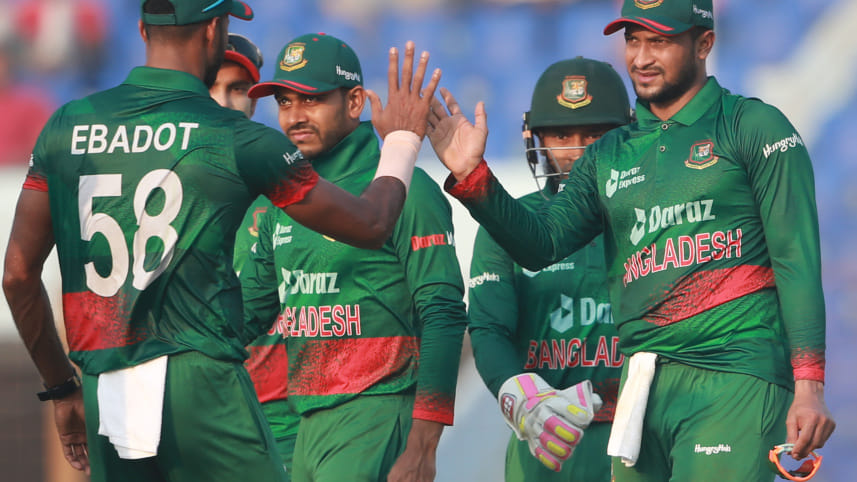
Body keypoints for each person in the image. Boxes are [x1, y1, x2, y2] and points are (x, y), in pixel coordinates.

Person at [1, 0, 441, 480]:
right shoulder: (235, 136)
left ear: (143, 31)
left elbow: (18, 276)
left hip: (105, 385)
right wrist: (402, 140)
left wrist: (61, 388)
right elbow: (371, 223)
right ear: (213, 30)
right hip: (200, 377)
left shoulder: (67, 125)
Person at [426, 0, 836, 480]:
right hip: (642, 387)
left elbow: (795, 259)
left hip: (732, 371)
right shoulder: (609, 154)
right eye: (633, 40)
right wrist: (473, 176)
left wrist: (809, 384)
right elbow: (542, 244)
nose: (641, 58)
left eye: (659, 41)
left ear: (704, 43)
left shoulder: (753, 127)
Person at [239, 32, 467, 482]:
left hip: (376, 414)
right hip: (306, 425)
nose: (294, 117)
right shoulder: (276, 202)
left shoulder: (407, 190)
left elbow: (443, 313)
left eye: (312, 99)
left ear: (355, 102)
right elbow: (246, 317)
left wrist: (423, 444)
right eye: (284, 102)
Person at [468, 57, 630, 482]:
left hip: (640, 438)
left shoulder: (653, 218)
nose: (578, 151)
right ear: (535, 139)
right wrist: (523, 399)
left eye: (595, 135)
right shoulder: (511, 222)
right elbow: (489, 329)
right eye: (561, 135)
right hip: (544, 440)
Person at [206, 31, 304, 477]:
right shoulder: (161, 194)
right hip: (205, 420)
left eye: (237, 88)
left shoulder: (294, 185)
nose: (223, 102)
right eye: (211, 86)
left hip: (291, 422)